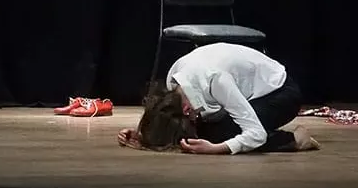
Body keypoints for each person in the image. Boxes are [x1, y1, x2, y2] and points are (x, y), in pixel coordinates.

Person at [117, 42, 321, 154]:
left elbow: (256, 134)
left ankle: (294, 140)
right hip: (249, 92)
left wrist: (218, 149)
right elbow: (166, 110)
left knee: (221, 134)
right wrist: (144, 133)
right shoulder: (175, 81)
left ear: (187, 110)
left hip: (281, 93)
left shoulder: (216, 81)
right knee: (202, 133)